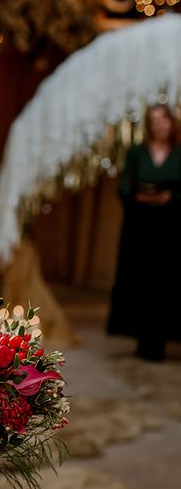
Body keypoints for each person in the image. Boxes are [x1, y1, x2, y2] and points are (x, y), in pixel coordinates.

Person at [107, 104, 181, 361]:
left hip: (171, 228)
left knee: (165, 282)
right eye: (154, 120)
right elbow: (125, 184)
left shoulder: (179, 153)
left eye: (164, 119)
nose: (160, 124)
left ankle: (159, 339)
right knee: (139, 279)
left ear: (171, 123)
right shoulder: (137, 152)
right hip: (140, 225)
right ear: (149, 125)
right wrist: (141, 198)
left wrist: (168, 199)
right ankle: (140, 337)